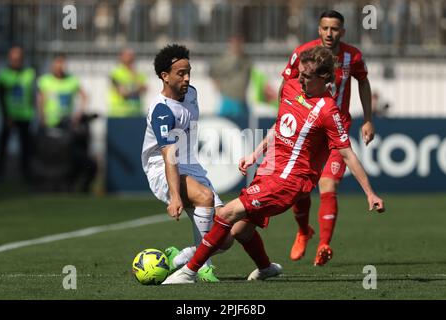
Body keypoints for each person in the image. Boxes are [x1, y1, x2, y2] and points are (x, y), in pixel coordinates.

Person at [162, 46, 385, 284]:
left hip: (289, 181)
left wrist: (370, 193)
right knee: (240, 230)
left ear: (323, 78)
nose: (299, 79)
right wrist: (254, 154)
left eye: (306, 76)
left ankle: (189, 272)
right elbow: (280, 127)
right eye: (299, 73)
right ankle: (266, 268)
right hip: (269, 170)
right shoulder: (291, 88)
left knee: (226, 213)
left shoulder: (328, 111)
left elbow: (348, 154)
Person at [280, 10, 375, 265]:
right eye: (325, 28)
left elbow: (364, 82)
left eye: (334, 29)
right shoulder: (304, 53)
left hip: (335, 130)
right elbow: (286, 84)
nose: (329, 33)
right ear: (319, 30)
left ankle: (324, 245)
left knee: (328, 185)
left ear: (342, 32)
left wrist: (367, 119)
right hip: (307, 133)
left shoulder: (352, 56)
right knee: (299, 191)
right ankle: (303, 232)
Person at [141, 44, 233, 282]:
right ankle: (203, 267)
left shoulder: (191, 93)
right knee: (204, 197)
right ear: (164, 76)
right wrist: (175, 196)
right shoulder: (162, 111)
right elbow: (168, 155)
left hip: (191, 165)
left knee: (225, 237)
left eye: (188, 71)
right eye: (180, 73)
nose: (187, 77)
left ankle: (178, 259)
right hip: (162, 169)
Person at [37, 54, 96, 192]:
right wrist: (42, 117)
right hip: (50, 124)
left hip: (66, 124)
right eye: (57, 64)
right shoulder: (45, 81)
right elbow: (40, 100)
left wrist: (78, 113)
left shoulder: (72, 80)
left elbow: (84, 96)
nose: (59, 67)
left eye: (62, 64)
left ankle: (68, 182)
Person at [0, 46, 35, 182]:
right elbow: (0, 97)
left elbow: (33, 94)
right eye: (13, 57)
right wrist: (6, 115)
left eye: (18, 58)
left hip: (25, 115)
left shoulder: (29, 73)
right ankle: (0, 173)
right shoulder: (3, 75)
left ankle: (26, 174)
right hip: (9, 116)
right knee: (3, 145)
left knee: (26, 146)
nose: (16, 60)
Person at [209, 35, 252, 124]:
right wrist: (217, 85)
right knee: (225, 125)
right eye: (235, 44)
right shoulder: (224, 60)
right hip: (228, 100)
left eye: (240, 43)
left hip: (242, 100)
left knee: (245, 126)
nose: (238, 46)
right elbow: (212, 72)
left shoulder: (246, 59)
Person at [108, 48, 147, 117]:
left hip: (136, 112)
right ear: (121, 57)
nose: (130, 58)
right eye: (127, 55)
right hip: (119, 113)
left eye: (131, 55)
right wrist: (136, 88)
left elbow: (144, 89)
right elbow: (123, 92)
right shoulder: (116, 73)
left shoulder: (138, 73)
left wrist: (134, 78)